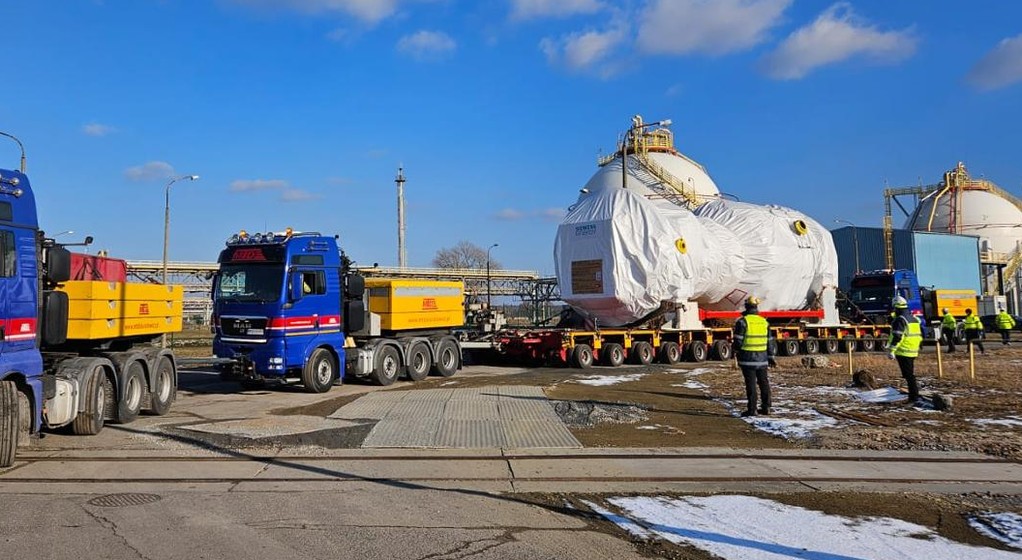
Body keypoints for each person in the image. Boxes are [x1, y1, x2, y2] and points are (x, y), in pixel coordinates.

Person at [733, 296, 775, 417]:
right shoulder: (764, 322)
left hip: (748, 358)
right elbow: (770, 341)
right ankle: (766, 407)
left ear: (746, 307)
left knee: (750, 384)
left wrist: (736, 351)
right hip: (762, 358)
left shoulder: (742, 322)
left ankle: (752, 409)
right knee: (764, 383)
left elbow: (738, 341)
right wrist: (771, 356)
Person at [887, 296, 923, 403]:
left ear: (896, 308)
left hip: (903, 350)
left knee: (909, 376)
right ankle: (914, 395)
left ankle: (914, 397)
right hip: (913, 350)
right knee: (909, 375)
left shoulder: (900, 320)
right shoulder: (914, 319)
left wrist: (892, 350)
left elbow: (898, 336)